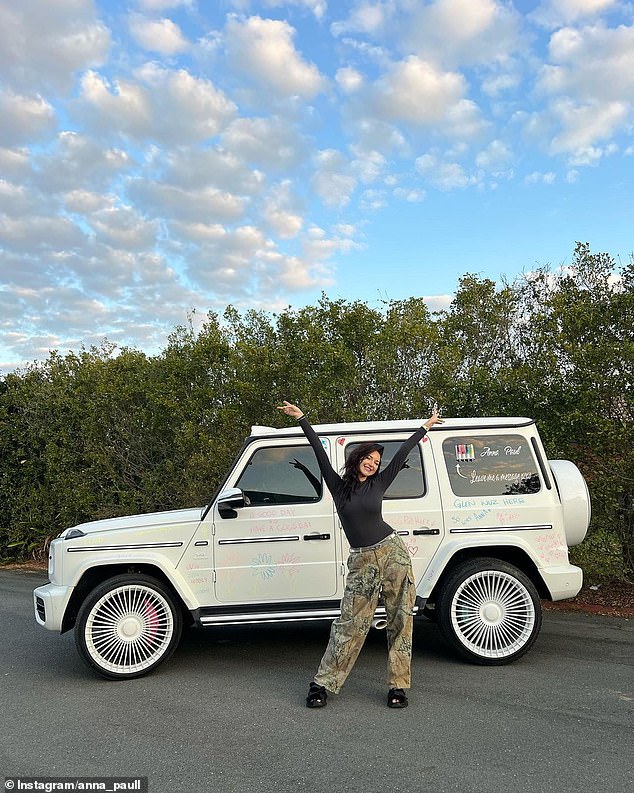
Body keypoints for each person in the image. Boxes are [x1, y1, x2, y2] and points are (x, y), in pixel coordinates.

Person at [277, 400, 443, 709]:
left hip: (393, 554)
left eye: (377, 460)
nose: (374, 463)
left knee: (400, 620)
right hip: (362, 561)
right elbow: (319, 453)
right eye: (369, 458)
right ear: (358, 459)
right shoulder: (339, 488)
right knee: (349, 624)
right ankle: (322, 684)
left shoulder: (380, 482)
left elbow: (405, 450)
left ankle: (398, 687)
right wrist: (302, 418)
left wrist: (426, 425)